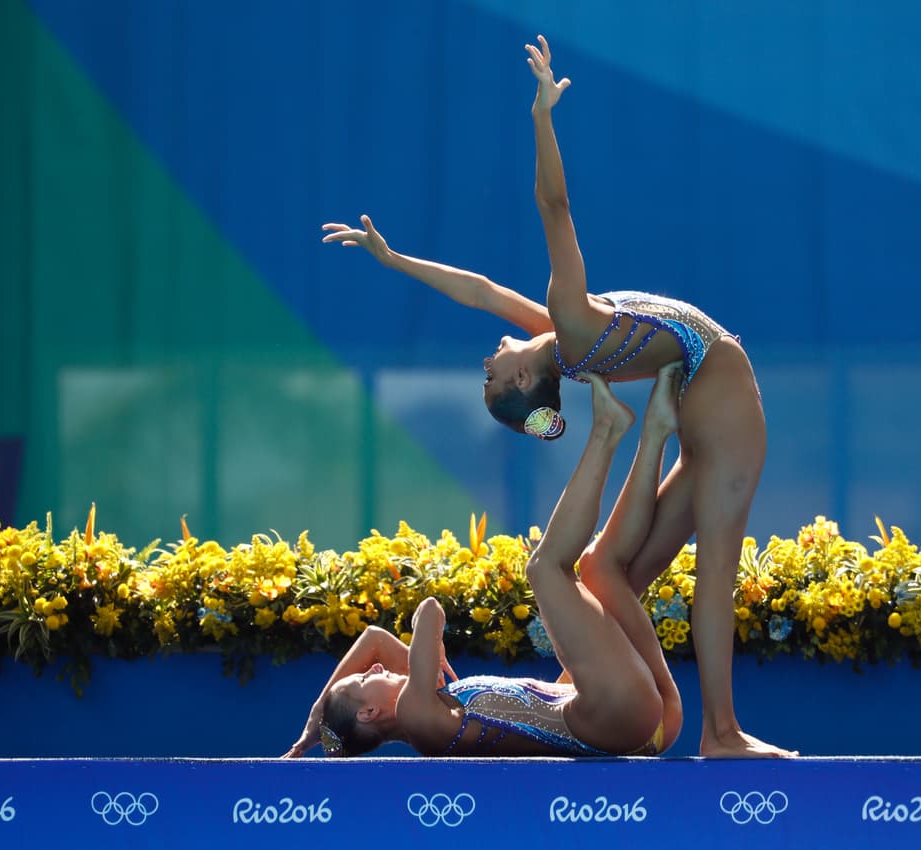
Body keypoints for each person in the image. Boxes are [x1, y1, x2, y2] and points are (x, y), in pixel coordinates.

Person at [321, 37, 792, 757]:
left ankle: (665, 713)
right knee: (715, 567)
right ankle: (721, 732)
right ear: (519, 381)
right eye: (490, 374)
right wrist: (543, 116)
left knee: (609, 570)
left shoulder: (560, 343)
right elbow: (554, 202)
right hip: (723, 388)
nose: (488, 357)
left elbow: (479, 291)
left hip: (698, 394)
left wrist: (394, 259)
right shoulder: (569, 324)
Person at [284, 367, 684, 758]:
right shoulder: (418, 716)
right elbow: (429, 611)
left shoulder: (428, 701)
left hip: (642, 723)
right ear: (370, 713)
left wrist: (319, 716)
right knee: (544, 568)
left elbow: (373, 637)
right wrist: (425, 650)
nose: (373, 669)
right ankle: (605, 432)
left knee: (601, 566)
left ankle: (658, 434)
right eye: (364, 681)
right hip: (615, 713)